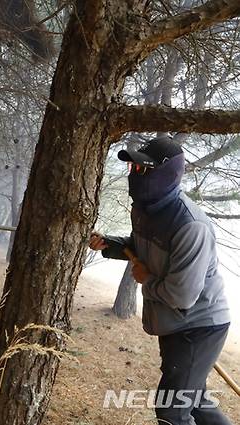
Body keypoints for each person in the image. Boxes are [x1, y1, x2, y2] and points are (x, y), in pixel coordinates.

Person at [89, 136, 232, 425]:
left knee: (173, 411)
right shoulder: (143, 210)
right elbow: (141, 247)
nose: (135, 176)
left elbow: (182, 296)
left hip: (198, 325)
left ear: (167, 173)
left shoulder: (190, 226)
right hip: (176, 321)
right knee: (195, 401)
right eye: (133, 170)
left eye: (144, 170)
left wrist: (147, 280)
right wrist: (110, 244)